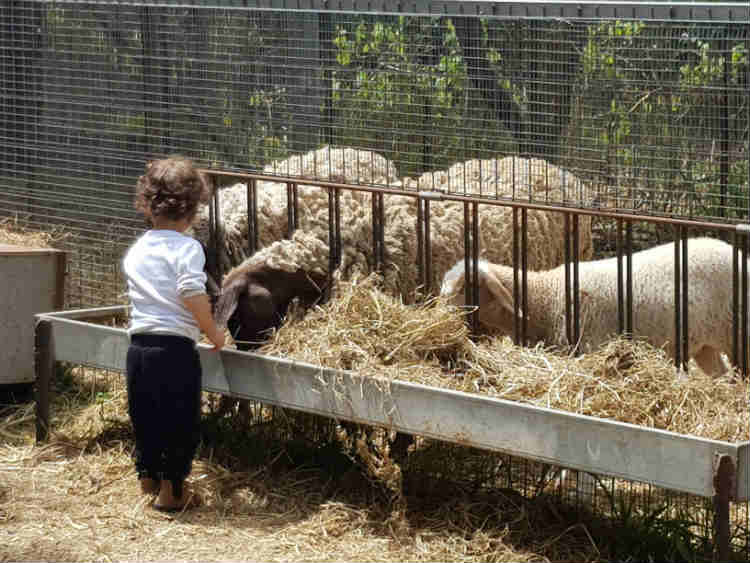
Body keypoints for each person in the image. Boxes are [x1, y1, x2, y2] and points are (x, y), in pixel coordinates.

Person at [122, 157, 225, 512]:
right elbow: (191, 293)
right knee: (180, 420)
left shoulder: (137, 250)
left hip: (138, 348)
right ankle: (173, 492)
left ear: (147, 206)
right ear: (194, 210)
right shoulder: (188, 248)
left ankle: (146, 479)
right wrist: (213, 331)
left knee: (145, 415)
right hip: (175, 351)